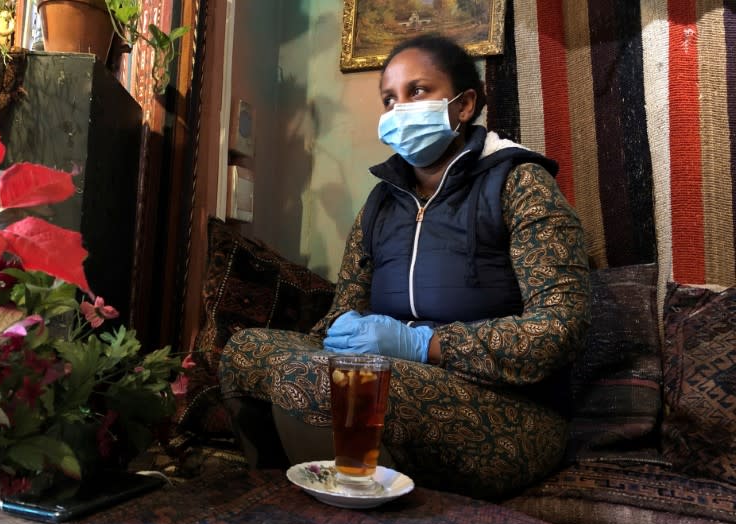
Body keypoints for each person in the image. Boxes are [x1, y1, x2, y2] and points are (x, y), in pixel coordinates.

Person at [218, 33, 590, 499]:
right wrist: (334, 338)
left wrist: (426, 344)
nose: (400, 109)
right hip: (393, 380)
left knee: (326, 384)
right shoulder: (381, 203)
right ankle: (274, 496)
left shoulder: (519, 184)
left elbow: (560, 330)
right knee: (247, 352)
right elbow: (341, 313)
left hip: (511, 408)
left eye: (418, 91)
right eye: (389, 99)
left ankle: (349, 517)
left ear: (465, 104)